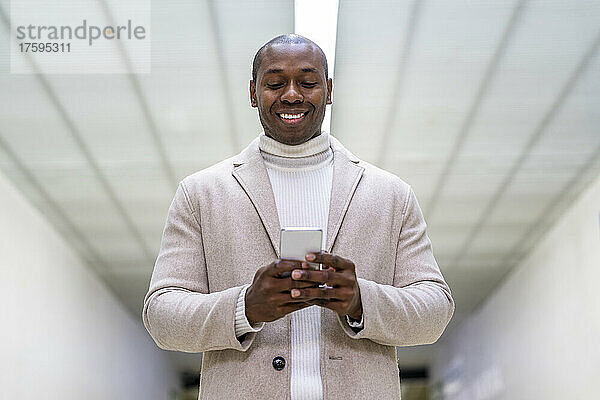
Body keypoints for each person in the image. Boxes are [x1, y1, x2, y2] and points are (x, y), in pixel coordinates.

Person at [142, 34, 454, 399]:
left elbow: (435, 310)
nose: (292, 95)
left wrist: (360, 300)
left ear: (329, 90)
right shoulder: (201, 193)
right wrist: (245, 307)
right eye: (275, 83)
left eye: (308, 82)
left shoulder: (390, 193)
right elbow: (162, 316)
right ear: (253, 92)